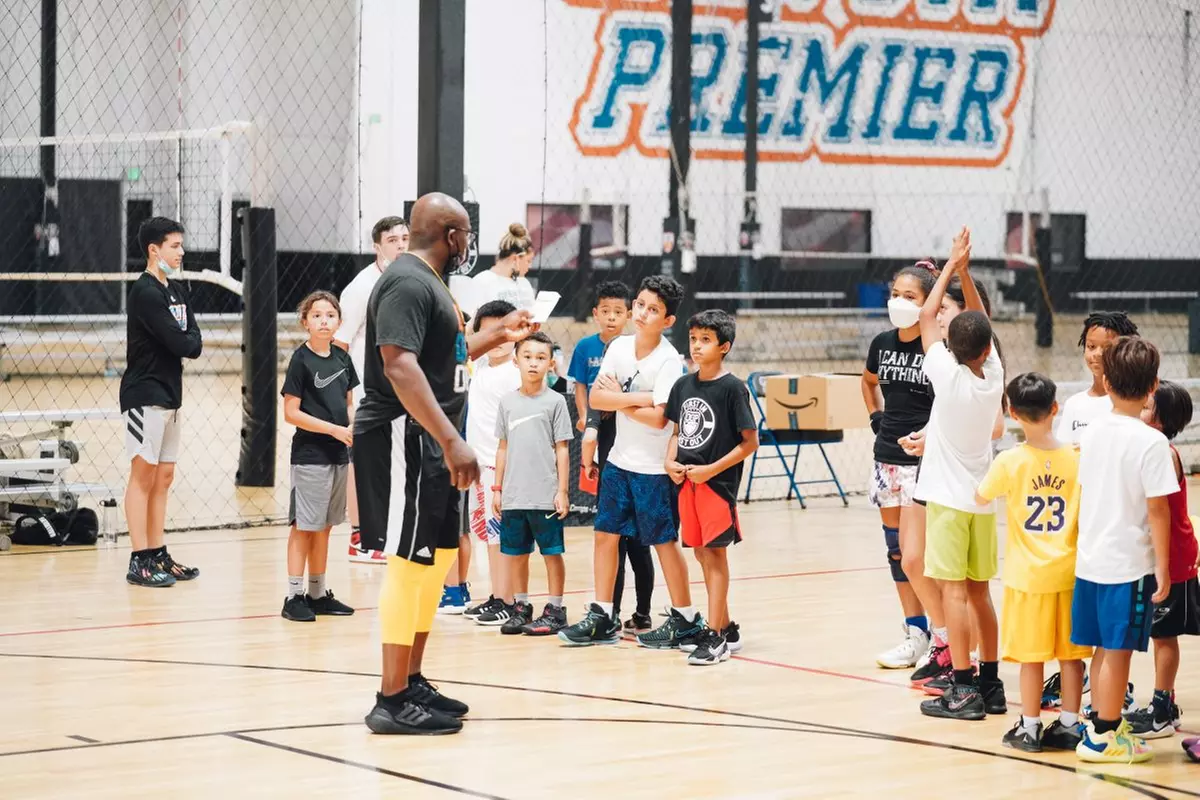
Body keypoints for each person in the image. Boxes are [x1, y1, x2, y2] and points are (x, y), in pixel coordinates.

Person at [354, 192, 533, 735]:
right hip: (403, 434)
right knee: (410, 563)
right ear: (453, 237)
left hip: (429, 438)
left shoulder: (432, 284)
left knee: (436, 561)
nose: (469, 245)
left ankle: (411, 680)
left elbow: (444, 357)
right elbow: (400, 366)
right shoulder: (408, 282)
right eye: (466, 234)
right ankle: (389, 699)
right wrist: (452, 439)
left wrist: (498, 335)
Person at [558, 276, 696, 647]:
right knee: (605, 536)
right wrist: (641, 399)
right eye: (641, 305)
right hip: (618, 461)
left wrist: (625, 399)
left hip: (653, 470)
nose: (643, 314)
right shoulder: (619, 346)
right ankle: (603, 615)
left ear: (668, 321)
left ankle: (685, 617)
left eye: (654, 310)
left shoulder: (669, 360)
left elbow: (662, 418)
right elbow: (599, 401)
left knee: (664, 542)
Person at [913, 227, 1007, 722]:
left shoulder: (945, 376)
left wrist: (949, 265)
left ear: (951, 344)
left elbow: (927, 315)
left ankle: (964, 687)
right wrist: (966, 273)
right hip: (982, 502)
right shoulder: (992, 375)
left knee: (954, 593)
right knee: (980, 593)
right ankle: (992, 684)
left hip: (949, 503)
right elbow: (981, 323)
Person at [975, 373, 1090, 752]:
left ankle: (1030, 727)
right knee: (1071, 658)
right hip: (1070, 572)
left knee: (1031, 658)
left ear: (1011, 412)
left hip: (1028, 578)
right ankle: (1071, 724)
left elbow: (981, 496)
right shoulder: (1077, 458)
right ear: (1055, 408)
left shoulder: (1011, 461)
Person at [1072, 336, 1174, 763]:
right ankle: (1105, 736)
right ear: (1153, 386)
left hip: (1091, 559)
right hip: (1127, 565)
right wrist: (1164, 568)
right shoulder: (1151, 443)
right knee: (1118, 652)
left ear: (1107, 381)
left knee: (1101, 648)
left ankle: (1098, 722)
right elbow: (1159, 512)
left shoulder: (1092, 432)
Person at [664, 310, 757, 665]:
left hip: (716, 485)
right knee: (702, 554)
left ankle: (716, 637)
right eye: (694, 339)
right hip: (687, 484)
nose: (697, 347)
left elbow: (750, 442)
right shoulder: (684, 385)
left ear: (724, 346)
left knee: (715, 555)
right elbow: (675, 433)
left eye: (706, 340)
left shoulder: (733, 388)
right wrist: (668, 462)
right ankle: (727, 627)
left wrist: (711, 470)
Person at [861, 262, 937, 670]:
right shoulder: (882, 343)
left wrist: (930, 436)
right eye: (896, 294)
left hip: (922, 462)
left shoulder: (934, 347)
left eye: (911, 297)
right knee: (896, 553)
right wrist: (877, 419)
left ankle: (942, 637)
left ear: (928, 304)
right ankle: (915, 633)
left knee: (916, 556)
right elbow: (868, 381)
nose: (899, 302)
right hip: (886, 458)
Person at [120, 216, 203, 587]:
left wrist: (186, 337)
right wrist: (185, 337)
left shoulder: (175, 291)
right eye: (175, 245)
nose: (181, 252)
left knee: (164, 477)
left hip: (171, 394)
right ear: (155, 250)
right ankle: (139, 559)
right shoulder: (145, 292)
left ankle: (157, 553)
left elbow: (194, 341)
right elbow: (182, 342)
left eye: (181, 245)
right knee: (143, 475)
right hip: (145, 393)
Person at [572, 281, 656, 632]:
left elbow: (655, 401)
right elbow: (588, 394)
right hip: (607, 442)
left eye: (619, 311)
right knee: (613, 535)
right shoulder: (591, 349)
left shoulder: (649, 353)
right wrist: (589, 423)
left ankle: (642, 611)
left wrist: (619, 404)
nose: (611, 317)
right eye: (604, 311)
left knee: (638, 539)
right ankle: (609, 612)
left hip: (638, 443)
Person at [1125, 380, 1198, 739]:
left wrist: (1165, 567)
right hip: (1161, 556)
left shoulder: (1164, 454)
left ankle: (1161, 711)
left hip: (1174, 557)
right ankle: (1164, 703)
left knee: (1165, 636)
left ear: (1160, 418)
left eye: (1147, 406)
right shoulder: (1152, 447)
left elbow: (1163, 515)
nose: (1141, 408)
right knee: (1159, 634)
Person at [280, 291, 358, 622]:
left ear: (339, 322)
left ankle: (317, 592)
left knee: (325, 527)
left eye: (330, 315)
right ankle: (293, 596)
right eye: (317, 315)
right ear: (305, 322)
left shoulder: (342, 359)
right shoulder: (301, 360)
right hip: (311, 455)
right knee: (304, 526)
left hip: (339, 454)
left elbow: (349, 403)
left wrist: (353, 429)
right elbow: (290, 413)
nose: (323, 320)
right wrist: (332, 430)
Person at [490, 332, 574, 635]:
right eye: (527, 357)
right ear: (516, 360)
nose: (534, 363)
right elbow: (502, 448)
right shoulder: (508, 402)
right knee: (516, 554)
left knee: (552, 553)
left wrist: (562, 490)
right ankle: (521, 607)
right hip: (514, 495)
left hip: (545, 496)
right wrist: (498, 489)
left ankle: (555, 609)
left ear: (551, 363)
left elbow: (562, 449)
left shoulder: (555, 403)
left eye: (541, 358)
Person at [337, 215, 409, 564]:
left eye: (405, 238)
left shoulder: (408, 281)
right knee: (361, 464)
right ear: (377, 246)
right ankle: (360, 539)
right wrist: (346, 398)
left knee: (391, 467)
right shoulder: (362, 287)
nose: (401, 245)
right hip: (367, 396)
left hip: (400, 395)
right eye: (393, 240)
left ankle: (383, 534)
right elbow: (338, 344)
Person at [450, 300, 521, 620]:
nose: (496, 339)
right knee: (489, 537)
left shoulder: (514, 372)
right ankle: (497, 596)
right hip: (480, 465)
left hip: (500, 467)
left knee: (500, 536)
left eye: (502, 332)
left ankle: (508, 601)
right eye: (488, 332)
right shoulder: (478, 367)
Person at [1055, 312, 1140, 446]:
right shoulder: (1074, 404)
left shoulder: (1135, 401)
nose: (1098, 354)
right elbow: (1064, 451)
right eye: (1091, 347)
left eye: (1107, 348)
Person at [465, 222, 536, 315]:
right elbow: (472, 324)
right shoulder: (482, 282)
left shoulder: (524, 283)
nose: (530, 266)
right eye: (528, 261)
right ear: (516, 258)